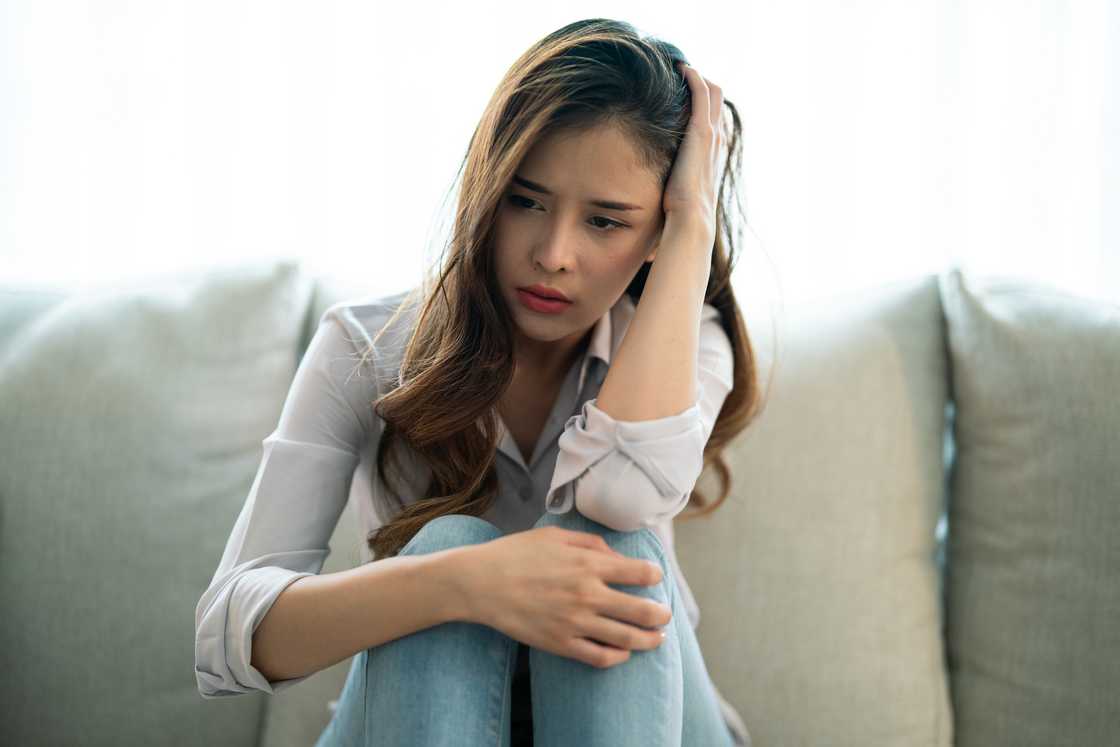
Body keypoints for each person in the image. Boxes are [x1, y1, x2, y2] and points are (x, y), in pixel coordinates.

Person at [195, 17, 765, 747]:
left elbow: (618, 498)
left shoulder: (688, 343)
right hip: (416, 716)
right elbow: (229, 636)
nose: (553, 254)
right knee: (445, 545)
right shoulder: (365, 348)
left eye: (605, 222)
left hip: (645, 716)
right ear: (485, 189)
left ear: (656, 232)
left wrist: (692, 228)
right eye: (525, 200)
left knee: (614, 547)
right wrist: (463, 580)